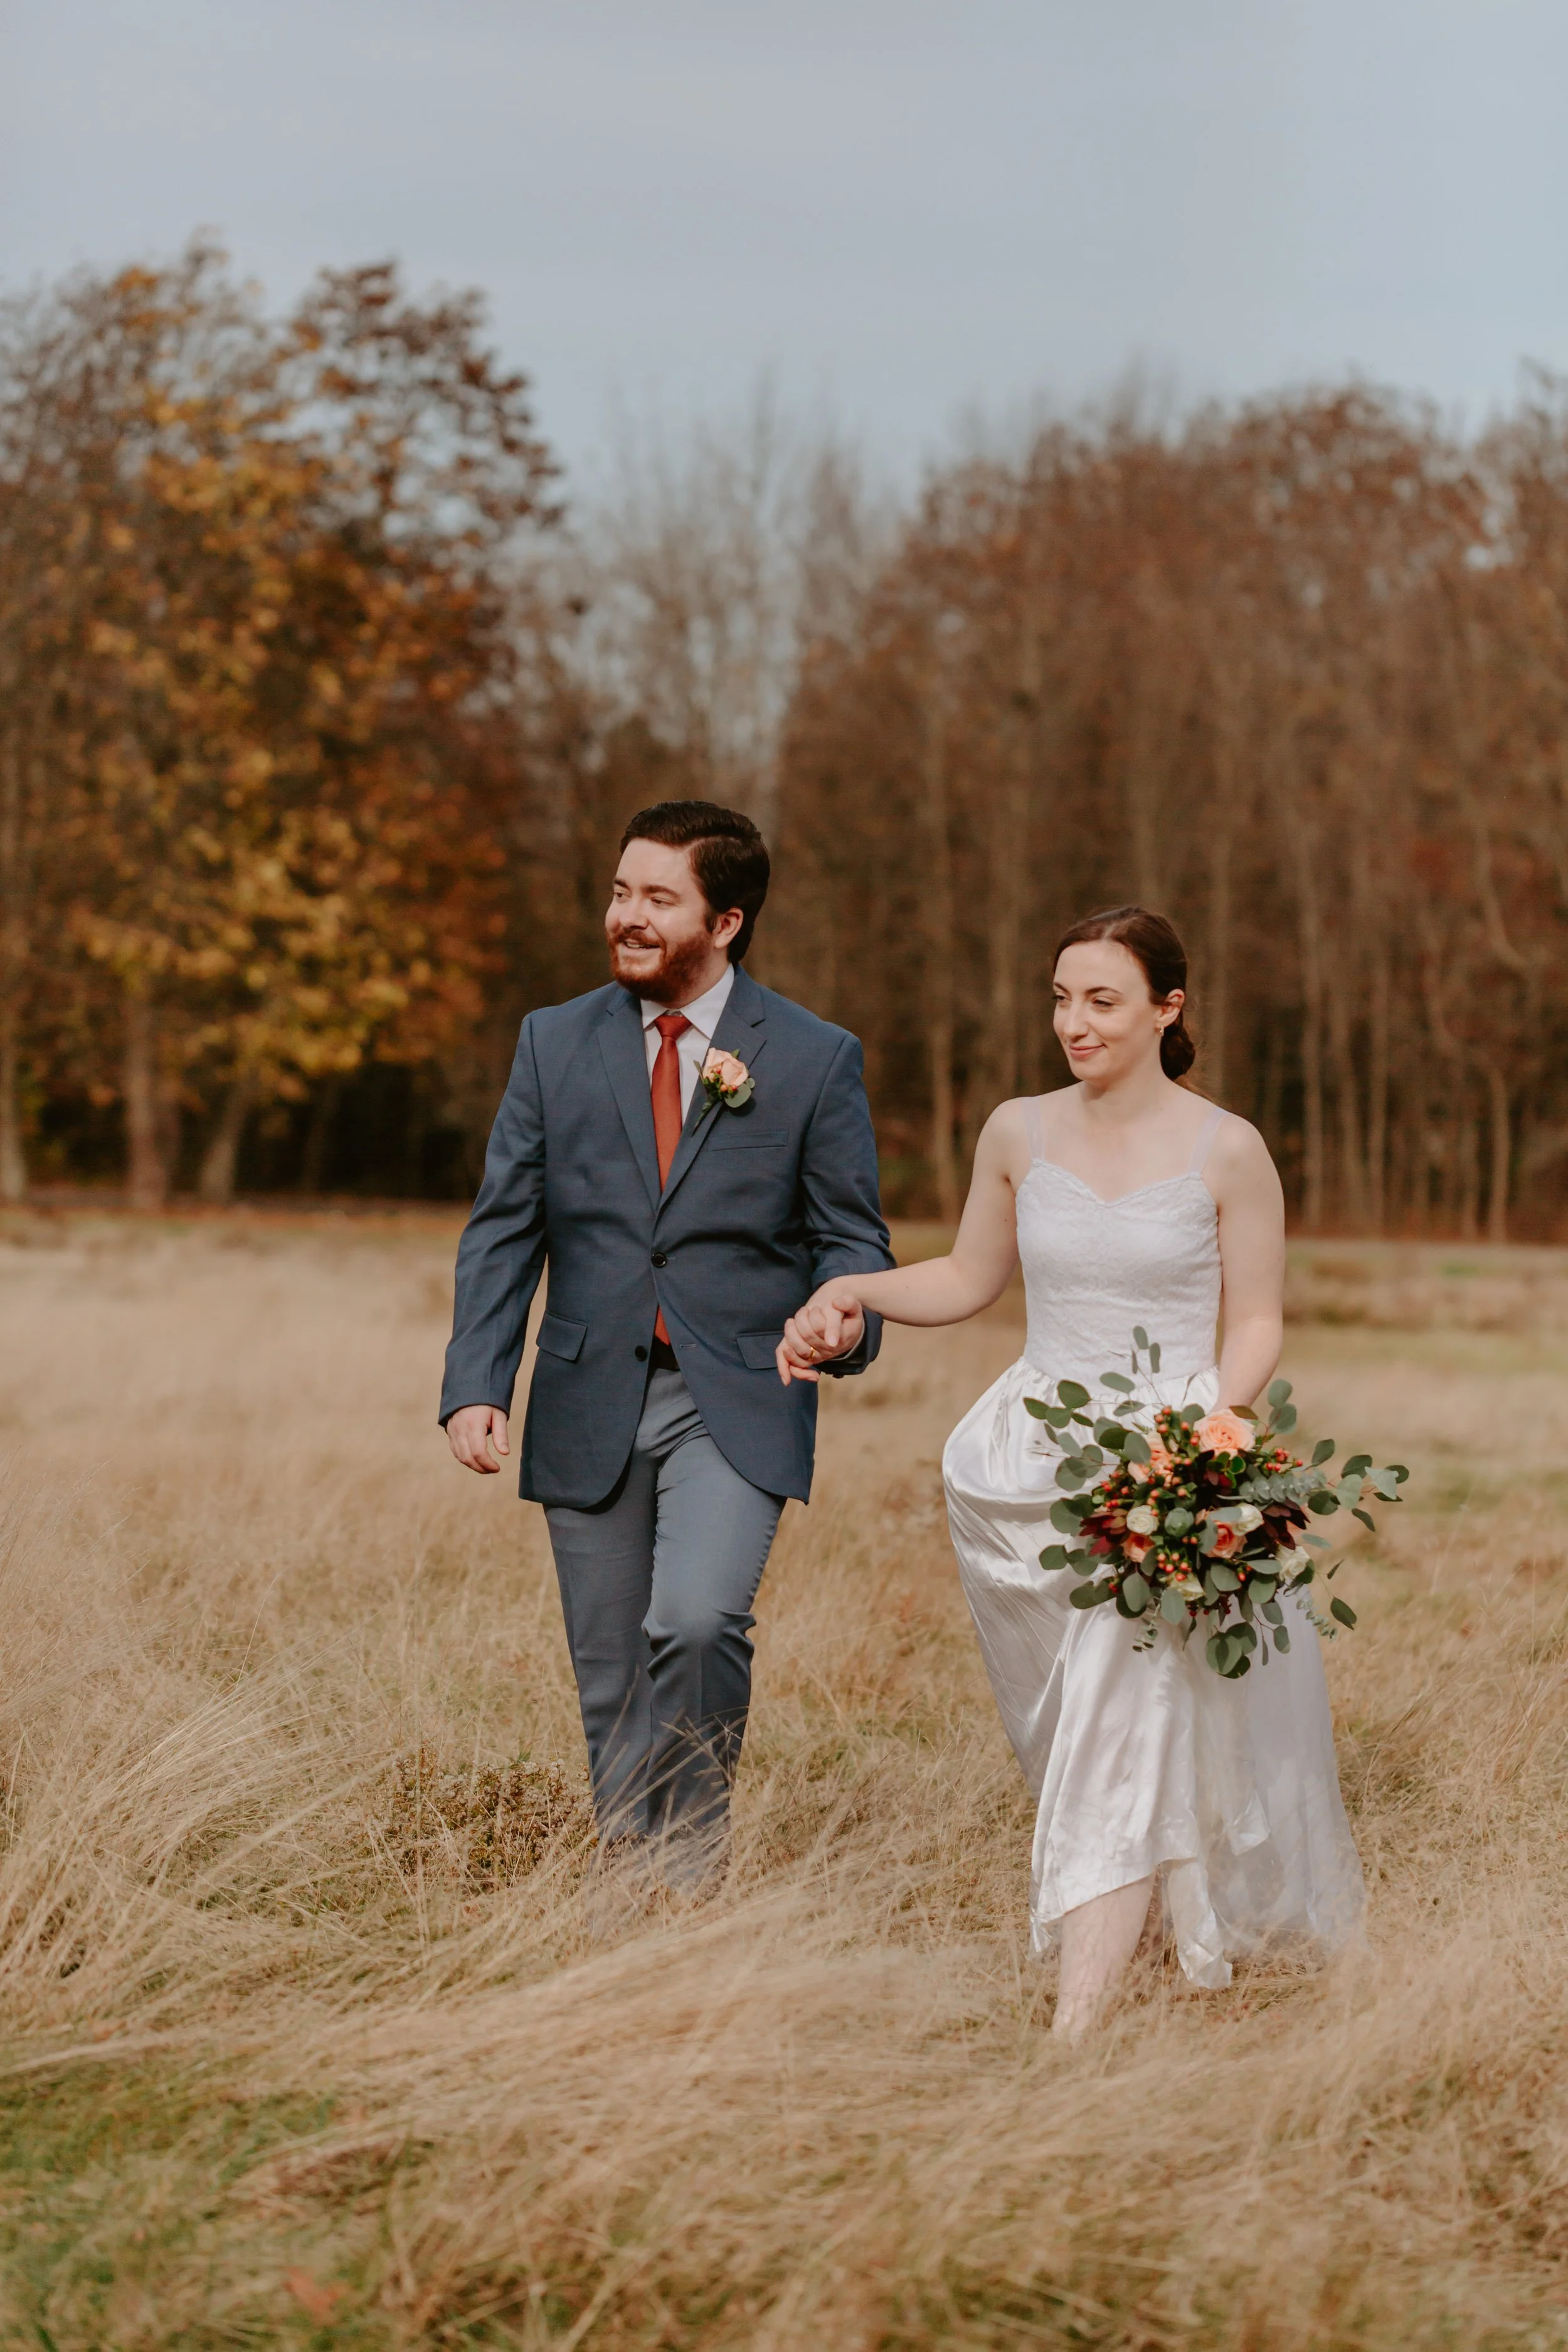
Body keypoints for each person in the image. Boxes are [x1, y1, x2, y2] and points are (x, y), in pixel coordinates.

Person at [778, 905, 1365, 2034]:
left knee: (1124, 1702)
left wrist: (1204, 1436)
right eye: (1060, 998)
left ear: (1167, 1008)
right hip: (1030, 1461)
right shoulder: (1017, 1132)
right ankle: (1142, 1925)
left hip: (1162, 1472)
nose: (1074, 1023)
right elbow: (965, 1276)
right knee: (1072, 1726)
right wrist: (855, 1291)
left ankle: (1076, 2028)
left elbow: (1258, 1322)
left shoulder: (1227, 1147)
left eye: (1101, 1000)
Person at [441, 800, 893, 1891]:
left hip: (736, 1396)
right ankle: (628, 1891)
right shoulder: (554, 1039)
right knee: (609, 1669)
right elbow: (507, 1221)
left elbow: (851, 1237)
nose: (626, 917)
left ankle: (688, 1875)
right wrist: (475, 1381)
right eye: (618, 891)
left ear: (725, 920)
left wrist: (847, 1317)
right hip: (586, 1391)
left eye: (657, 898)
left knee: (693, 1620)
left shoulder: (815, 1057)